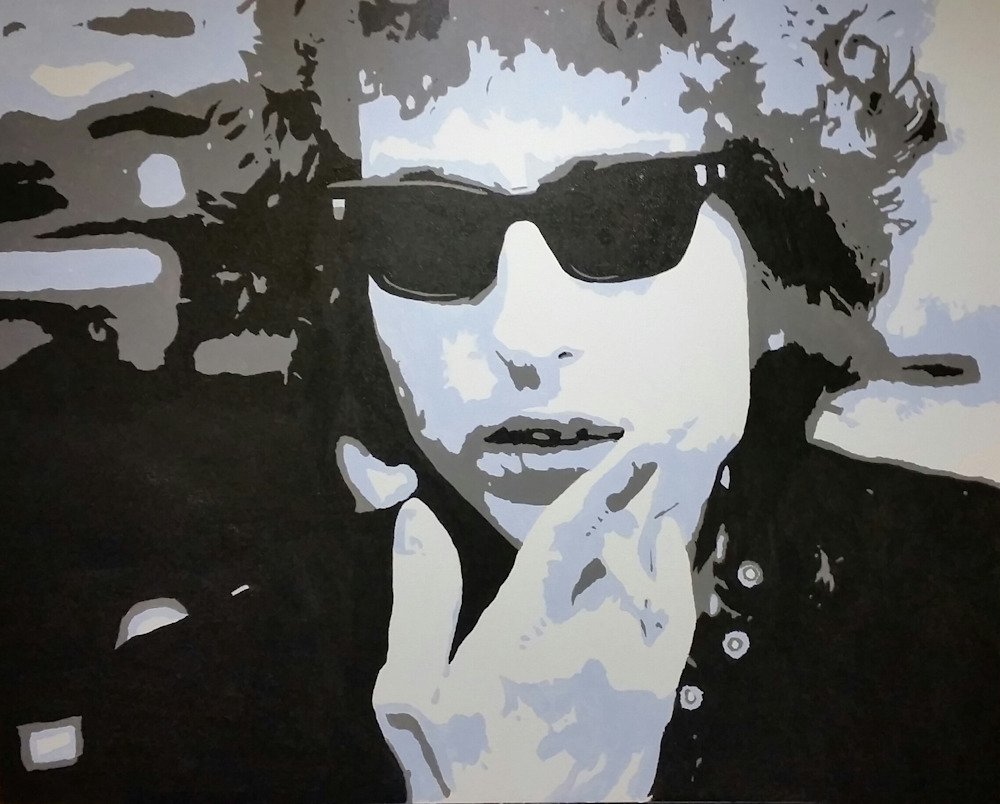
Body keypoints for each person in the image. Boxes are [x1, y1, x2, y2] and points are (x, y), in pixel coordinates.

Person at [1, 1, 998, 802]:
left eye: (620, 222)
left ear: (778, 258)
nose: (521, 333)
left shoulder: (968, 614)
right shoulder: (196, 710)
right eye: (426, 233)